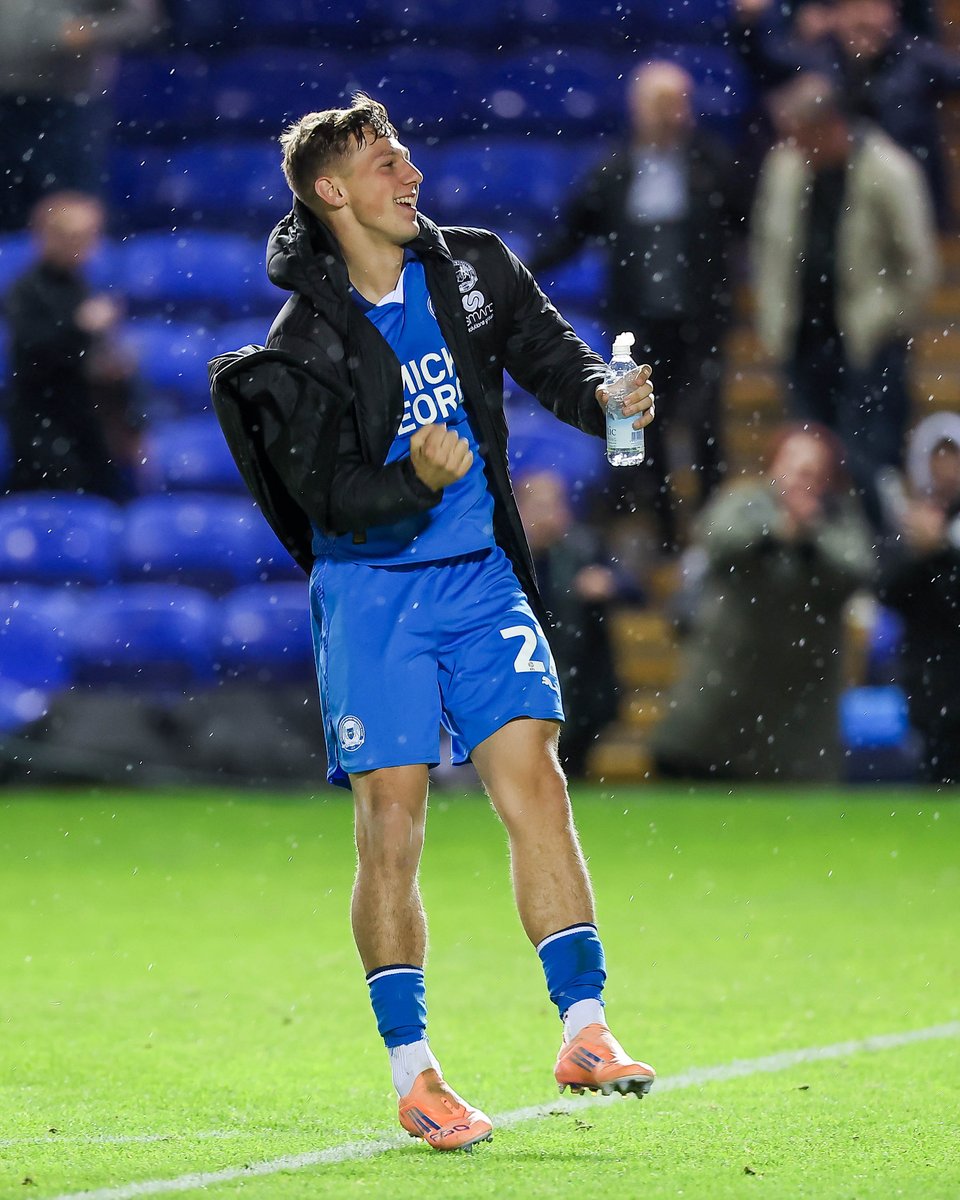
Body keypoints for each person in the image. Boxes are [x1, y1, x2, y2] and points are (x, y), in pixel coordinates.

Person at [209, 95, 657, 1152]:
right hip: (370, 593)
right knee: (394, 826)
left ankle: (586, 1030)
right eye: (383, 163)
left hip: (479, 577)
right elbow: (330, 501)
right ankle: (416, 1074)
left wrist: (610, 395)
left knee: (535, 780)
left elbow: (558, 363)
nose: (409, 174)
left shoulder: (475, 266)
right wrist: (412, 475)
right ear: (331, 191)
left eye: (406, 154)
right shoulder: (305, 338)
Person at [531, 61, 745, 554]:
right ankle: (668, 534)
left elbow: (746, 223)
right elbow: (571, 233)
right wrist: (520, 271)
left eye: (678, 103)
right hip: (638, 325)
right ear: (638, 109)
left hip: (700, 320)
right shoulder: (615, 171)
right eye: (660, 104)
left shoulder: (711, 163)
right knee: (649, 427)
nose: (671, 115)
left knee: (707, 425)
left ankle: (716, 538)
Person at [749, 72, 938, 530]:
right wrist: (773, 322)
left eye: (800, 134)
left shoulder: (890, 171)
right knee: (810, 460)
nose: (792, 144)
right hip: (803, 339)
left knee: (871, 458)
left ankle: (883, 563)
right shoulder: (784, 168)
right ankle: (820, 563)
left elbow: (919, 265)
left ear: (827, 125)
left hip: (868, 345)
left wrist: (885, 321)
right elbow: (766, 249)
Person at [650, 422, 875, 781]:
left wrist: (810, 537)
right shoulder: (745, 501)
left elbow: (858, 567)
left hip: (799, 705)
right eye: (794, 463)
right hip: (725, 688)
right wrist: (776, 531)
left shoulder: (838, 517)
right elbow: (717, 539)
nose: (802, 476)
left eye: (812, 468)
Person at [733, 0, 960, 226]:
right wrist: (751, 21)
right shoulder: (818, 60)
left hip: (914, 208)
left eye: (877, 8)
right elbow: (764, 61)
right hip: (840, 214)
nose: (867, 20)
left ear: (894, 15)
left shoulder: (918, 59)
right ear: (835, 16)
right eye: (855, 9)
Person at [4, 191, 142, 499]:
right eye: (78, 237)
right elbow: (32, 352)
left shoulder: (80, 284)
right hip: (44, 423)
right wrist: (80, 326)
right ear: (49, 237)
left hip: (85, 420)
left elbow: (89, 358)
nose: (88, 247)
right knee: (54, 503)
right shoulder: (25, 290)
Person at [515, 468, 641, 779]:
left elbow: (635, 589)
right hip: (527, 676)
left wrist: (608, 582)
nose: (548, 516)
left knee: (572, 767)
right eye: (540, 506)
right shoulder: (507, 554)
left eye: (554, 505)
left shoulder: (584, 546)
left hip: (582, 682)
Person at [0, 0, 162, 230]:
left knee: (72, 218)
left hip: (67, 106)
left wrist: (88, 30)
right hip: (6, 103)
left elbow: (141, 20)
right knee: (7, 216)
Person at [876, 413, 960, 784]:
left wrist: (941, 550)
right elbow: (885, 591)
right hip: (929, 679)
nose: (946, 471)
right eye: (938, 458)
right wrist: (921, 552)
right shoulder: (906, 523)